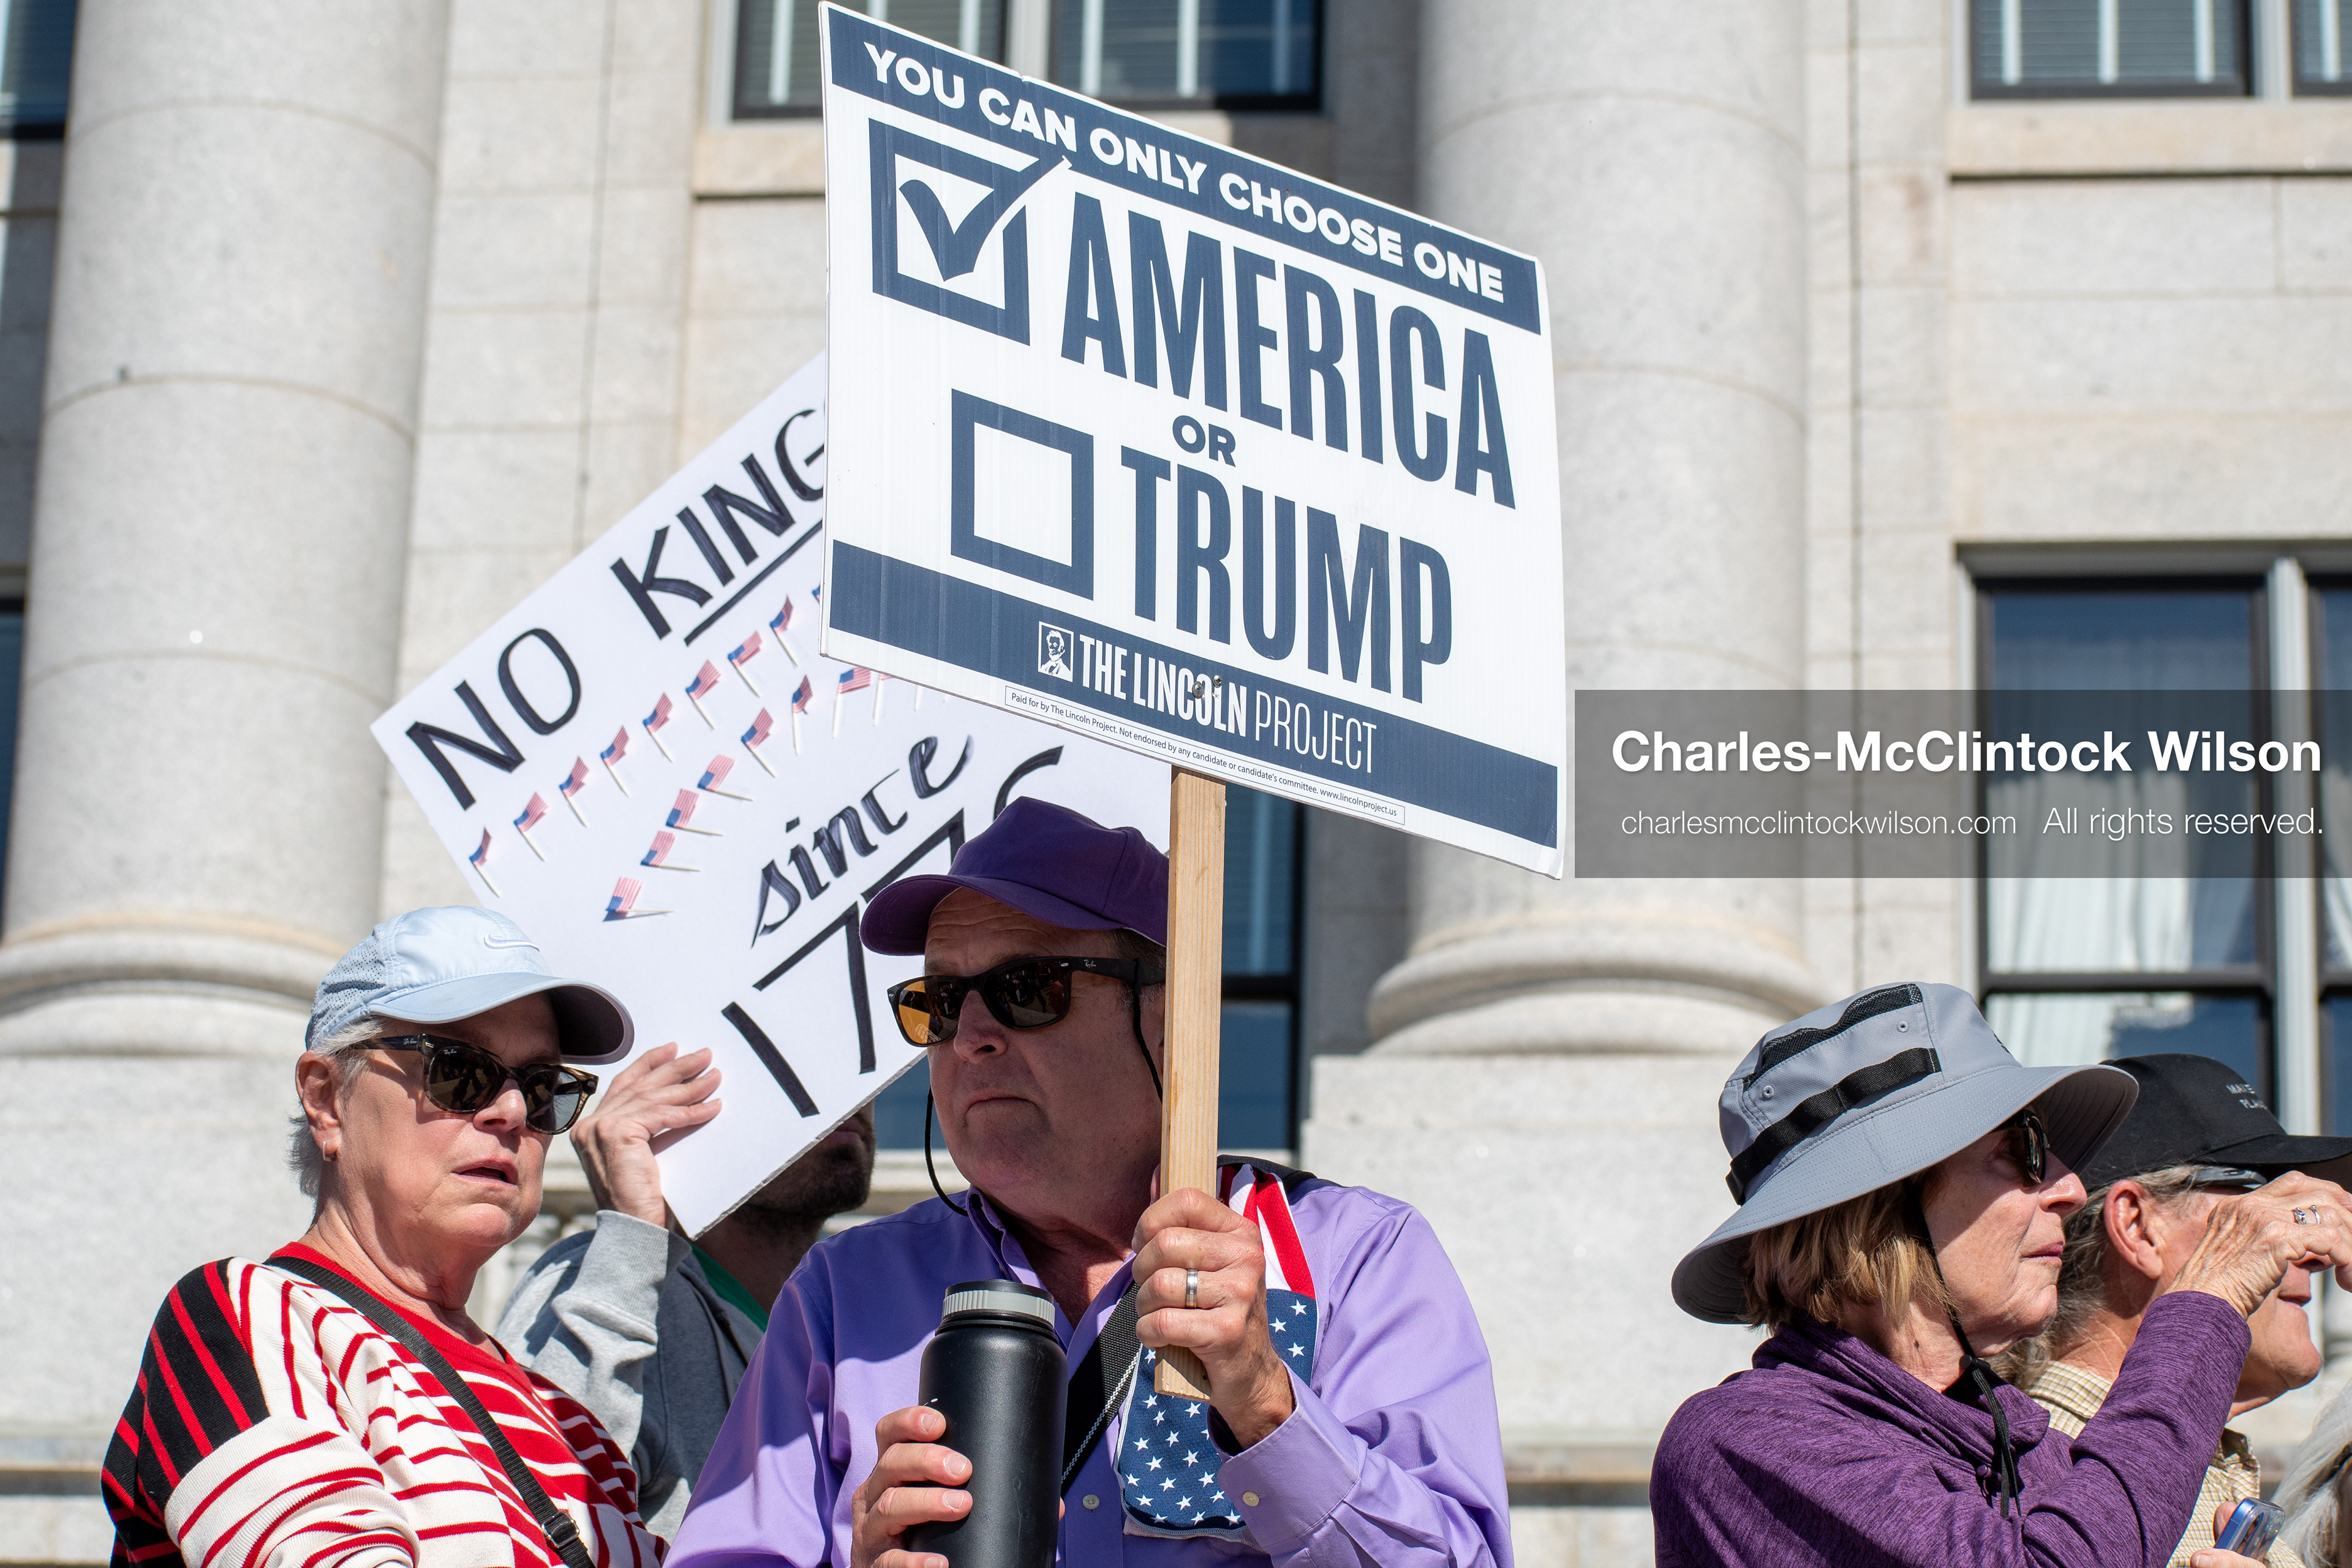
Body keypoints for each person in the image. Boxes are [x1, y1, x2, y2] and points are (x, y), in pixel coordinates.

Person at [667, 797, 1512, 1568]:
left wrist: (1265, 1403)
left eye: (1028, 989)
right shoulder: (843, 1296)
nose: (972, 1038)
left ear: (1170, 1013)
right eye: (942, 1001)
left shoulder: (1356, 1256)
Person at [1650, 981, 2352, 1567]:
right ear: (1880, 1206)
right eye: (2023, 1151)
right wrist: (2212, 1291)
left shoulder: (2022, 1441)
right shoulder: (1751, 1438)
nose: (2072, 1188)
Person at [102, 907, 664, 1568]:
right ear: (326, 1098)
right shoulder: (254, 1315)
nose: (512, 1112)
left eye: (543, 1088)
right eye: (459, 1070)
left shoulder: (573, 1426)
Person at [498, 1043, 878, 1537]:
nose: (842, 1093)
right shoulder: (606, 1279)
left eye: (864, 1061)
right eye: (781, 1060)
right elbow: (525, 1521)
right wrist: (630, 1244)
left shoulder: (857, 1324)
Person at [2011, 1053, 2352, 1568]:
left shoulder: (2216, 1476)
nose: (2311, 1250)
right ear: (2138, 1227)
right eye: (2265, 1201)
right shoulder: (2029, 1472)